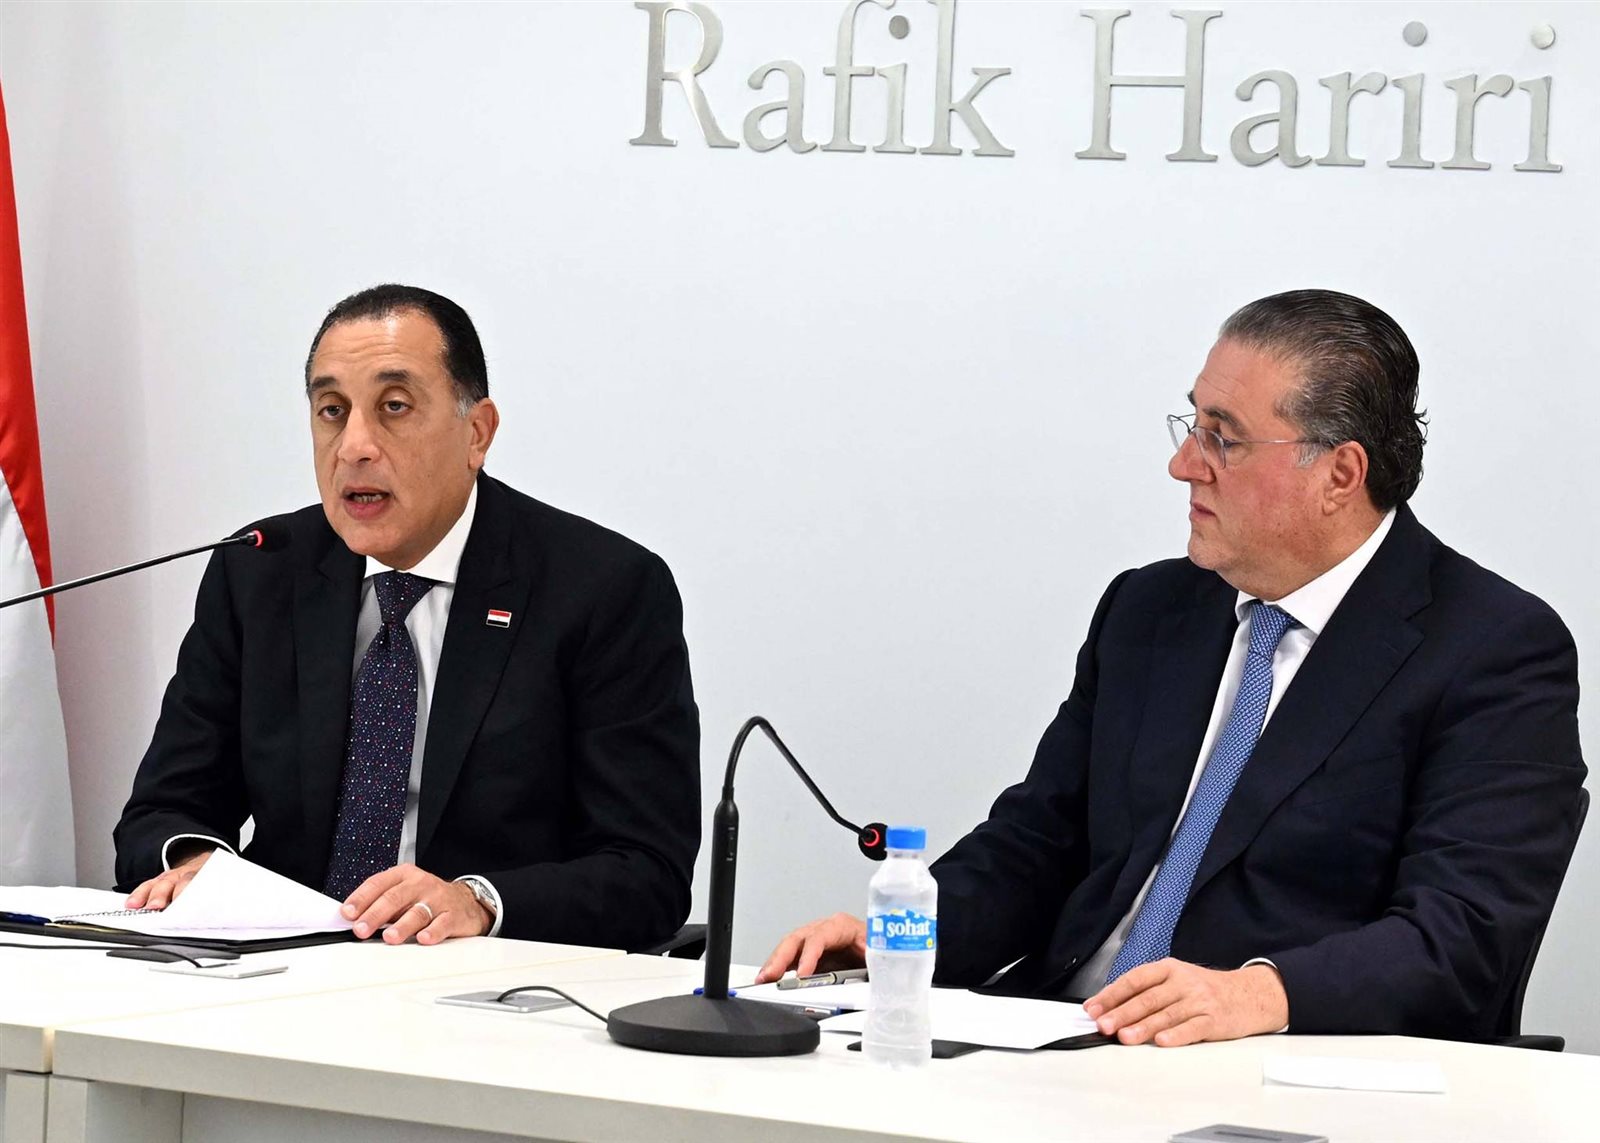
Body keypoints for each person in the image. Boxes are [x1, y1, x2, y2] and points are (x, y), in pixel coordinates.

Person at [757, 289, 1586, 1045]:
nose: (1185, 463)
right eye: (1192, 425)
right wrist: (903, 941)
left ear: (1340, 474)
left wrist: (1261, 993)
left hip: (1273, 1067)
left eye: (1223, 437)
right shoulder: (1151, 609)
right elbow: (1038, 841)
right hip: (1059, 1037)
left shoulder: (1492, 649)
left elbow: (1466, 933)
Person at [114, 284, 700, 950]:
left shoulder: (602, 588)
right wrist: (195, 866)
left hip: (481, 980)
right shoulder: (260, 571)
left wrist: (480, 901)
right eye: (332, 411)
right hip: (280, 971)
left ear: (477, 433)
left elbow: (646, 870)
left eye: (394, 407)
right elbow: (164, 809)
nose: (354, 446)